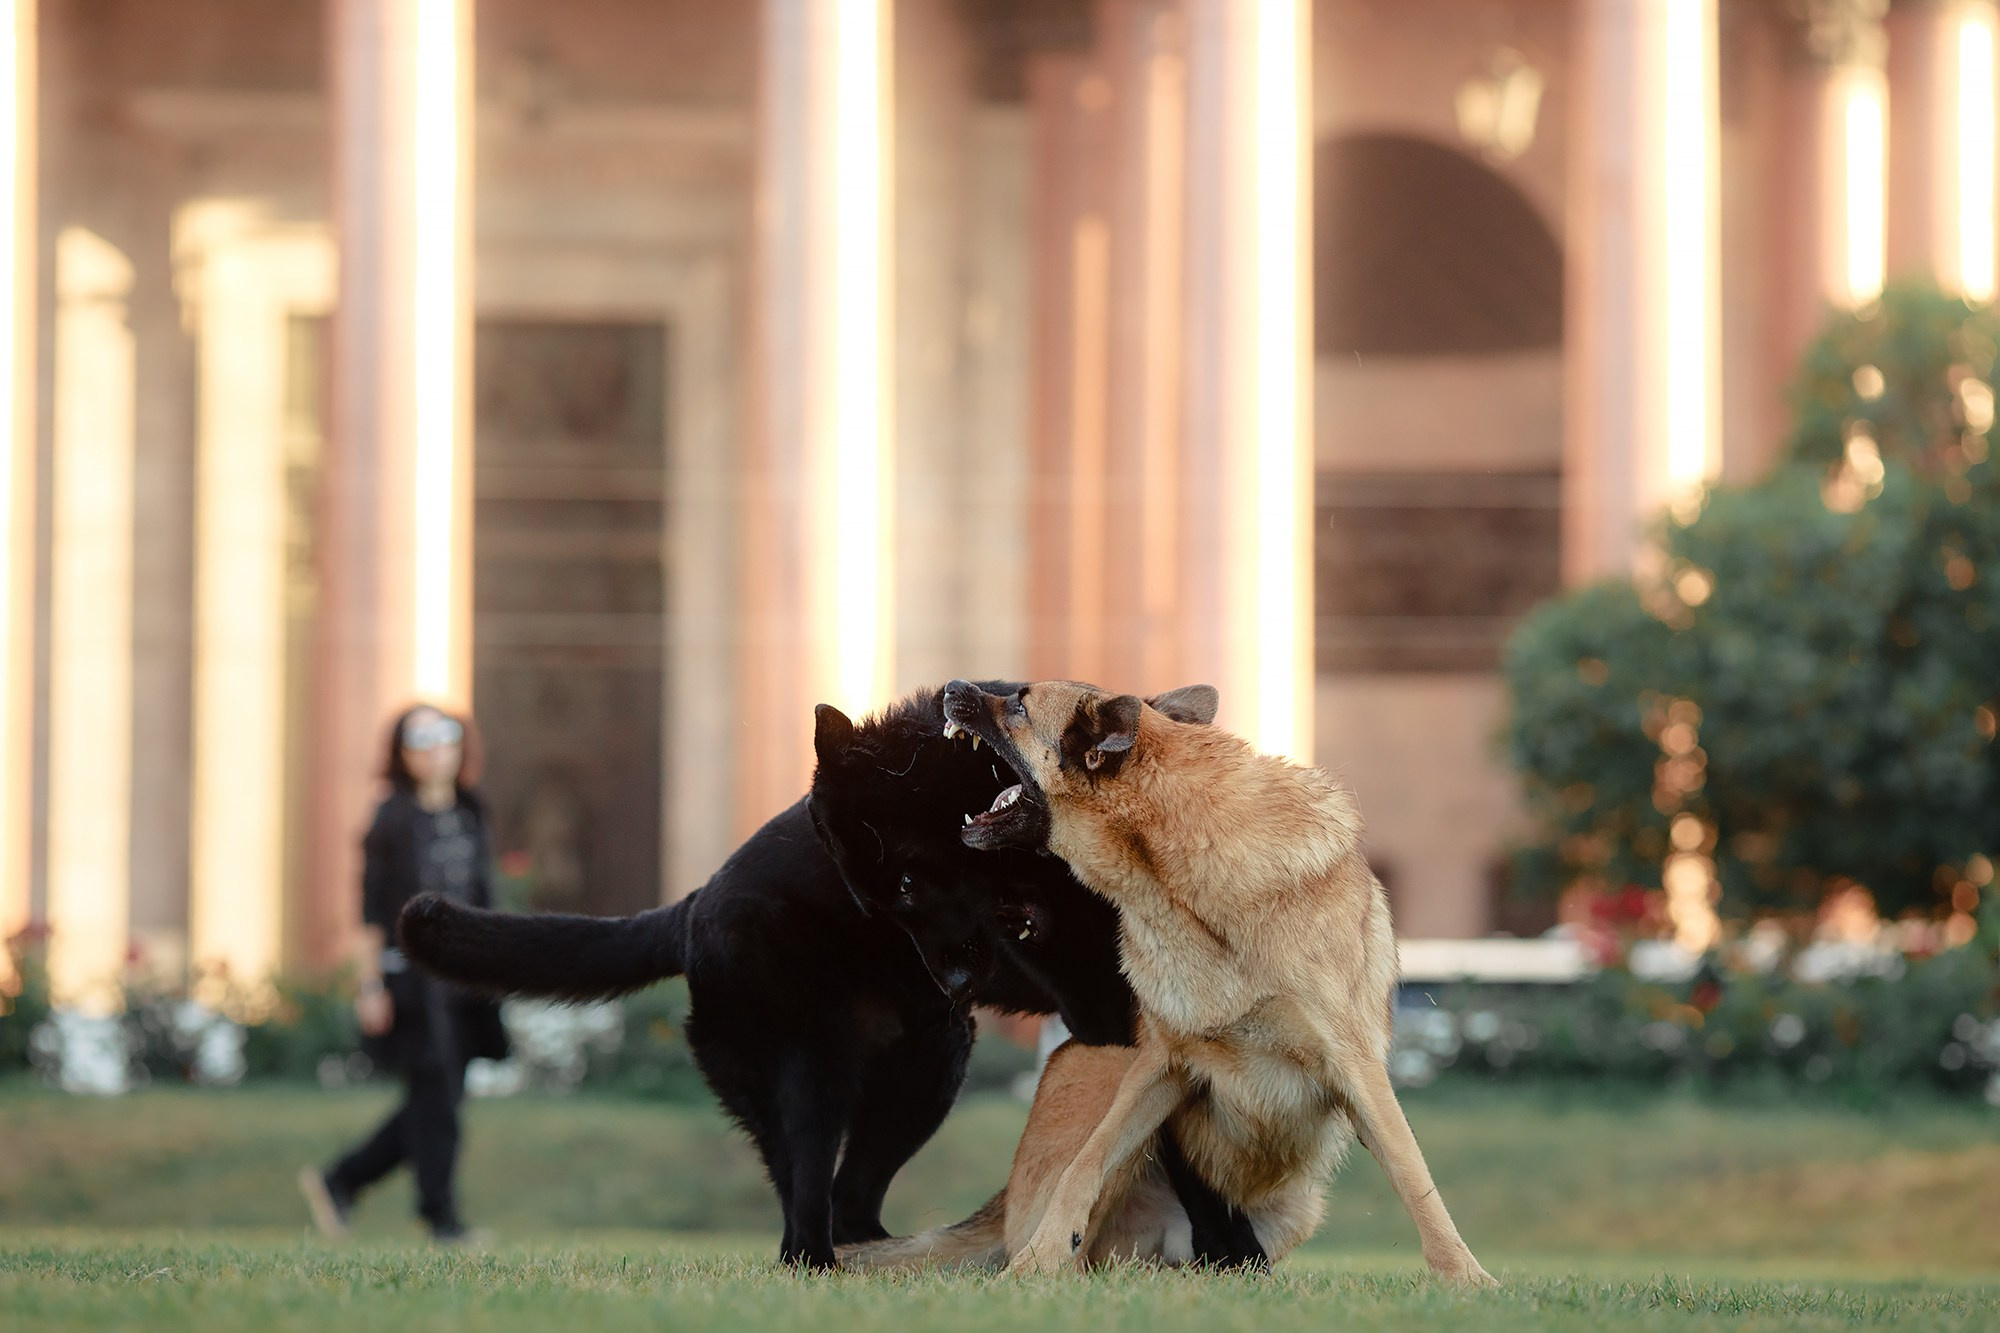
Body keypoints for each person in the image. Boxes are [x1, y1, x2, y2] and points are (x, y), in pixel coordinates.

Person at [298, 704, 510, 1243]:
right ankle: (441, 1220)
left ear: (461, 746)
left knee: (439, 1100)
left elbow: (487, 894)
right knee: (436, 1098)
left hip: (470, 977)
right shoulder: (390, 818)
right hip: (413, 979)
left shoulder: (471, 811)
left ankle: (342, 1179)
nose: (435, 750)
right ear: (403, 753)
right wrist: (370, 986)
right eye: (421, 741)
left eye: (445, 739)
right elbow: (371, 912)